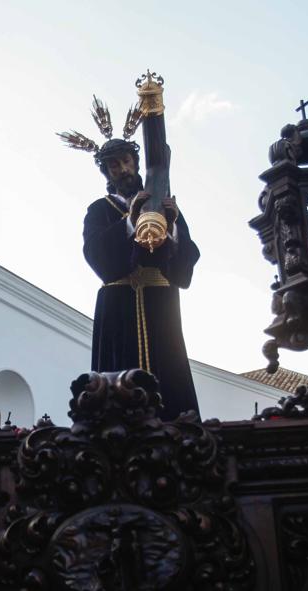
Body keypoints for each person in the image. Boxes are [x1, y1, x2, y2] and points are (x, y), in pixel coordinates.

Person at [81, 137, 201, 420]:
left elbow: (187, 262)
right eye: (114, 166)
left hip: (161, 303)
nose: (123, 170)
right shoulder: (99, 209)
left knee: (169, 375)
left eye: (126, 162)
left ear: (136, 163)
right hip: (117, 307)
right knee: (117, 384)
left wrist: (171, 226)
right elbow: (95, 254)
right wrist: (130, 221)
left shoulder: (164, 205)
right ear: (107, 173)